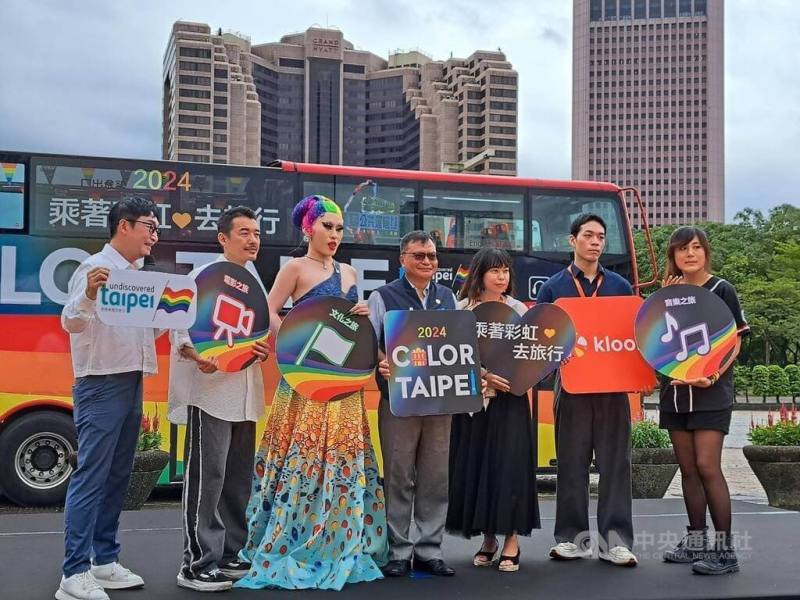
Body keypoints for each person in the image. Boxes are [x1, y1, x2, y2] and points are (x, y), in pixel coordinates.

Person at [236, 195, 387, 591]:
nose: (335, 235)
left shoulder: (352, 272)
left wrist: (362, 317)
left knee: (342, 457)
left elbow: (355, 327)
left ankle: (340, 540)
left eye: (339, 228)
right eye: (327, 227)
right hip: (304, 377)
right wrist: (291, 337)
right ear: (308, 228)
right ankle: (294, 537)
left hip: (344, 382)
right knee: (300, 455)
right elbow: (268, 309)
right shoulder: (295, 269)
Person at [57, 197, 161, 600]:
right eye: (149, 227)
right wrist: (86, 294)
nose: (153, 236)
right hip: (99, 384)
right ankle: (74, 572)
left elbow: (147, 332)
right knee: (92, 476)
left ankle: (103, 561)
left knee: (118, 476)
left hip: (132, 378)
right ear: (124, 226)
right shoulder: (93, 269)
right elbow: (70, 321)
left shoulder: (139, 276)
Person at [168, 206, 271, 592]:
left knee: (238, 478)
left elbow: (256, 335)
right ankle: (196, 563)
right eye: (244, 232)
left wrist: (261, 350)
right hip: (210, 394)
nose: (253, 239)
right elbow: (179, 331)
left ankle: (229, 554)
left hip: (244, 395)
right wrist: (198, 357)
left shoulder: (255, 283)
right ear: (223, 239)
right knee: (207, 478)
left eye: (257, 233)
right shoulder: (202, 279)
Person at [536, 213, 639, 567]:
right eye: (588, 235)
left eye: (600, 237)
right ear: (572, 240)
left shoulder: (620, 288)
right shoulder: (552, 288)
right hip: (573, 387)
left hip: (613, 390)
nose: (595, 242)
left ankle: (616, 542)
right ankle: (570, 538)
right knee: (571, 463)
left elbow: (631, 336)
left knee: (616, 464)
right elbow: (542, 338)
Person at [658, 226, 748, 575]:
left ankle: (725, 551)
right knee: (689, 470)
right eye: (682, 249)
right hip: (676, 393)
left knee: (708, 466)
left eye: (696, 247)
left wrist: (712, 375)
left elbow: (735, 341)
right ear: (674, 256)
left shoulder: (721, 289)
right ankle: (696, 541)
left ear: (705, 252)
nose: (690, 254)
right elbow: (657, 341)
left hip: (712, 393)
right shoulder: (669, 292)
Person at [368, 231, 458, 578]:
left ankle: (429, 550)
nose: (427, 262)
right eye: (419, 255)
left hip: (440, 403)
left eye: (432, 256)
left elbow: (459, 345)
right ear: (402, 259)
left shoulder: (447, 297)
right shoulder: (382, 296)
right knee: (398, 476)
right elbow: (369, 343)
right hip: (398, 402)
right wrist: (381, 361)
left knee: (436, 478)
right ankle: (399, 550)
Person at [446, 248, 540, 573]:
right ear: (480, 274)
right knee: (479, 467)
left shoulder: (519, 310)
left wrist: (511, 378)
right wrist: (483, 376)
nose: (502, 277)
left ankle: (512, 538)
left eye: (505, 271)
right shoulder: (461, 310)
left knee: (509, 467)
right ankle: (488, 538)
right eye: (494, 271)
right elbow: (452, 357)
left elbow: (533, 354)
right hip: (474, 402)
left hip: (511, 401)